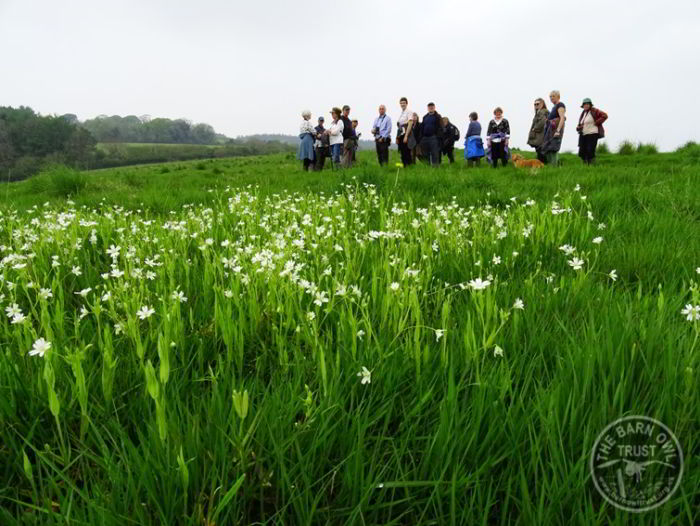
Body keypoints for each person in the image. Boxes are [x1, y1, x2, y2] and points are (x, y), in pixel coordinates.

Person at [576, 98, 608, 165]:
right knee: (581, 151)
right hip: (583, 133)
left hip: (593, 133)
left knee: (590, 150)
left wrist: (597, 122)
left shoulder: (594, 110)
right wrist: (579, 127)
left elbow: (605, 115)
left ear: (590, 105)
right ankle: (585, 165)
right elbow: (582, 123)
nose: (586, 105)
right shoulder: (583, 113)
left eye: (587, 104)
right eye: (584, 104)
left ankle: (592, 165)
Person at [541, 90, 566, 165]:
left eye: (553, 96)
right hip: (550, 130)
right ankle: (552, 165)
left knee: (553, 148)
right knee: (548, 148)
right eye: (550, 97)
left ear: (558, 96)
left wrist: (558, 131)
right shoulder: (553, 107)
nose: (551, 98)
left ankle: (554, 166)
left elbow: (562, 118)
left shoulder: (560, 105)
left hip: (556, 130)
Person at [527, 98, 549, 163]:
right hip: (538, 134)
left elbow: (542, 122)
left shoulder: (542, 111)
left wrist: (535, 128)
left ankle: (543, 165)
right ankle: (542, 165)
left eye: (538, 104)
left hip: (540, 134)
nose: (536, 105)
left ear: (542, 104)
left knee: (540, 150)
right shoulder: (538, 112)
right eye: (535, 104)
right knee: (539, 150)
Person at [396, 97, 414, 165]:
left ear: (407, 103)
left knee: (406, 152)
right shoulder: (402, 113)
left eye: (404, 103)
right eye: (401, 103)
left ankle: (409, 167)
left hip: (406, 133)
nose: (402, 104)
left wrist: (406, 136)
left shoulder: (409, 111)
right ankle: (404, 166)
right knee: (402, 152)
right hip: (401, 133)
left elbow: (410, 123)